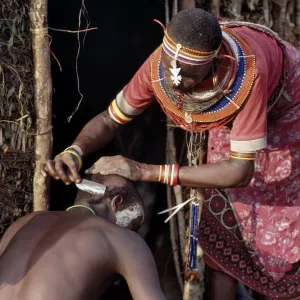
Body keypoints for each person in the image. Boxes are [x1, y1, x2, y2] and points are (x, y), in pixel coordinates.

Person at [43, 8, 300, 300]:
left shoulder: (247, 76)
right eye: (169, 69)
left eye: (188, 77)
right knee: (220, 224)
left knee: (280, 229)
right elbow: (109, 120)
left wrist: (146, 171)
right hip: (229, 118)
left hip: (286, 113)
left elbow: (240, 172)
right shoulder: (160, 68)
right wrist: (76, 151)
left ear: (215, 63)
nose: (176, 83)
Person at [0, 174, 166, 300]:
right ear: (115, 203)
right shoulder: (123, 240)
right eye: (131, 224)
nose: (129, 231)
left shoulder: (23, 223)